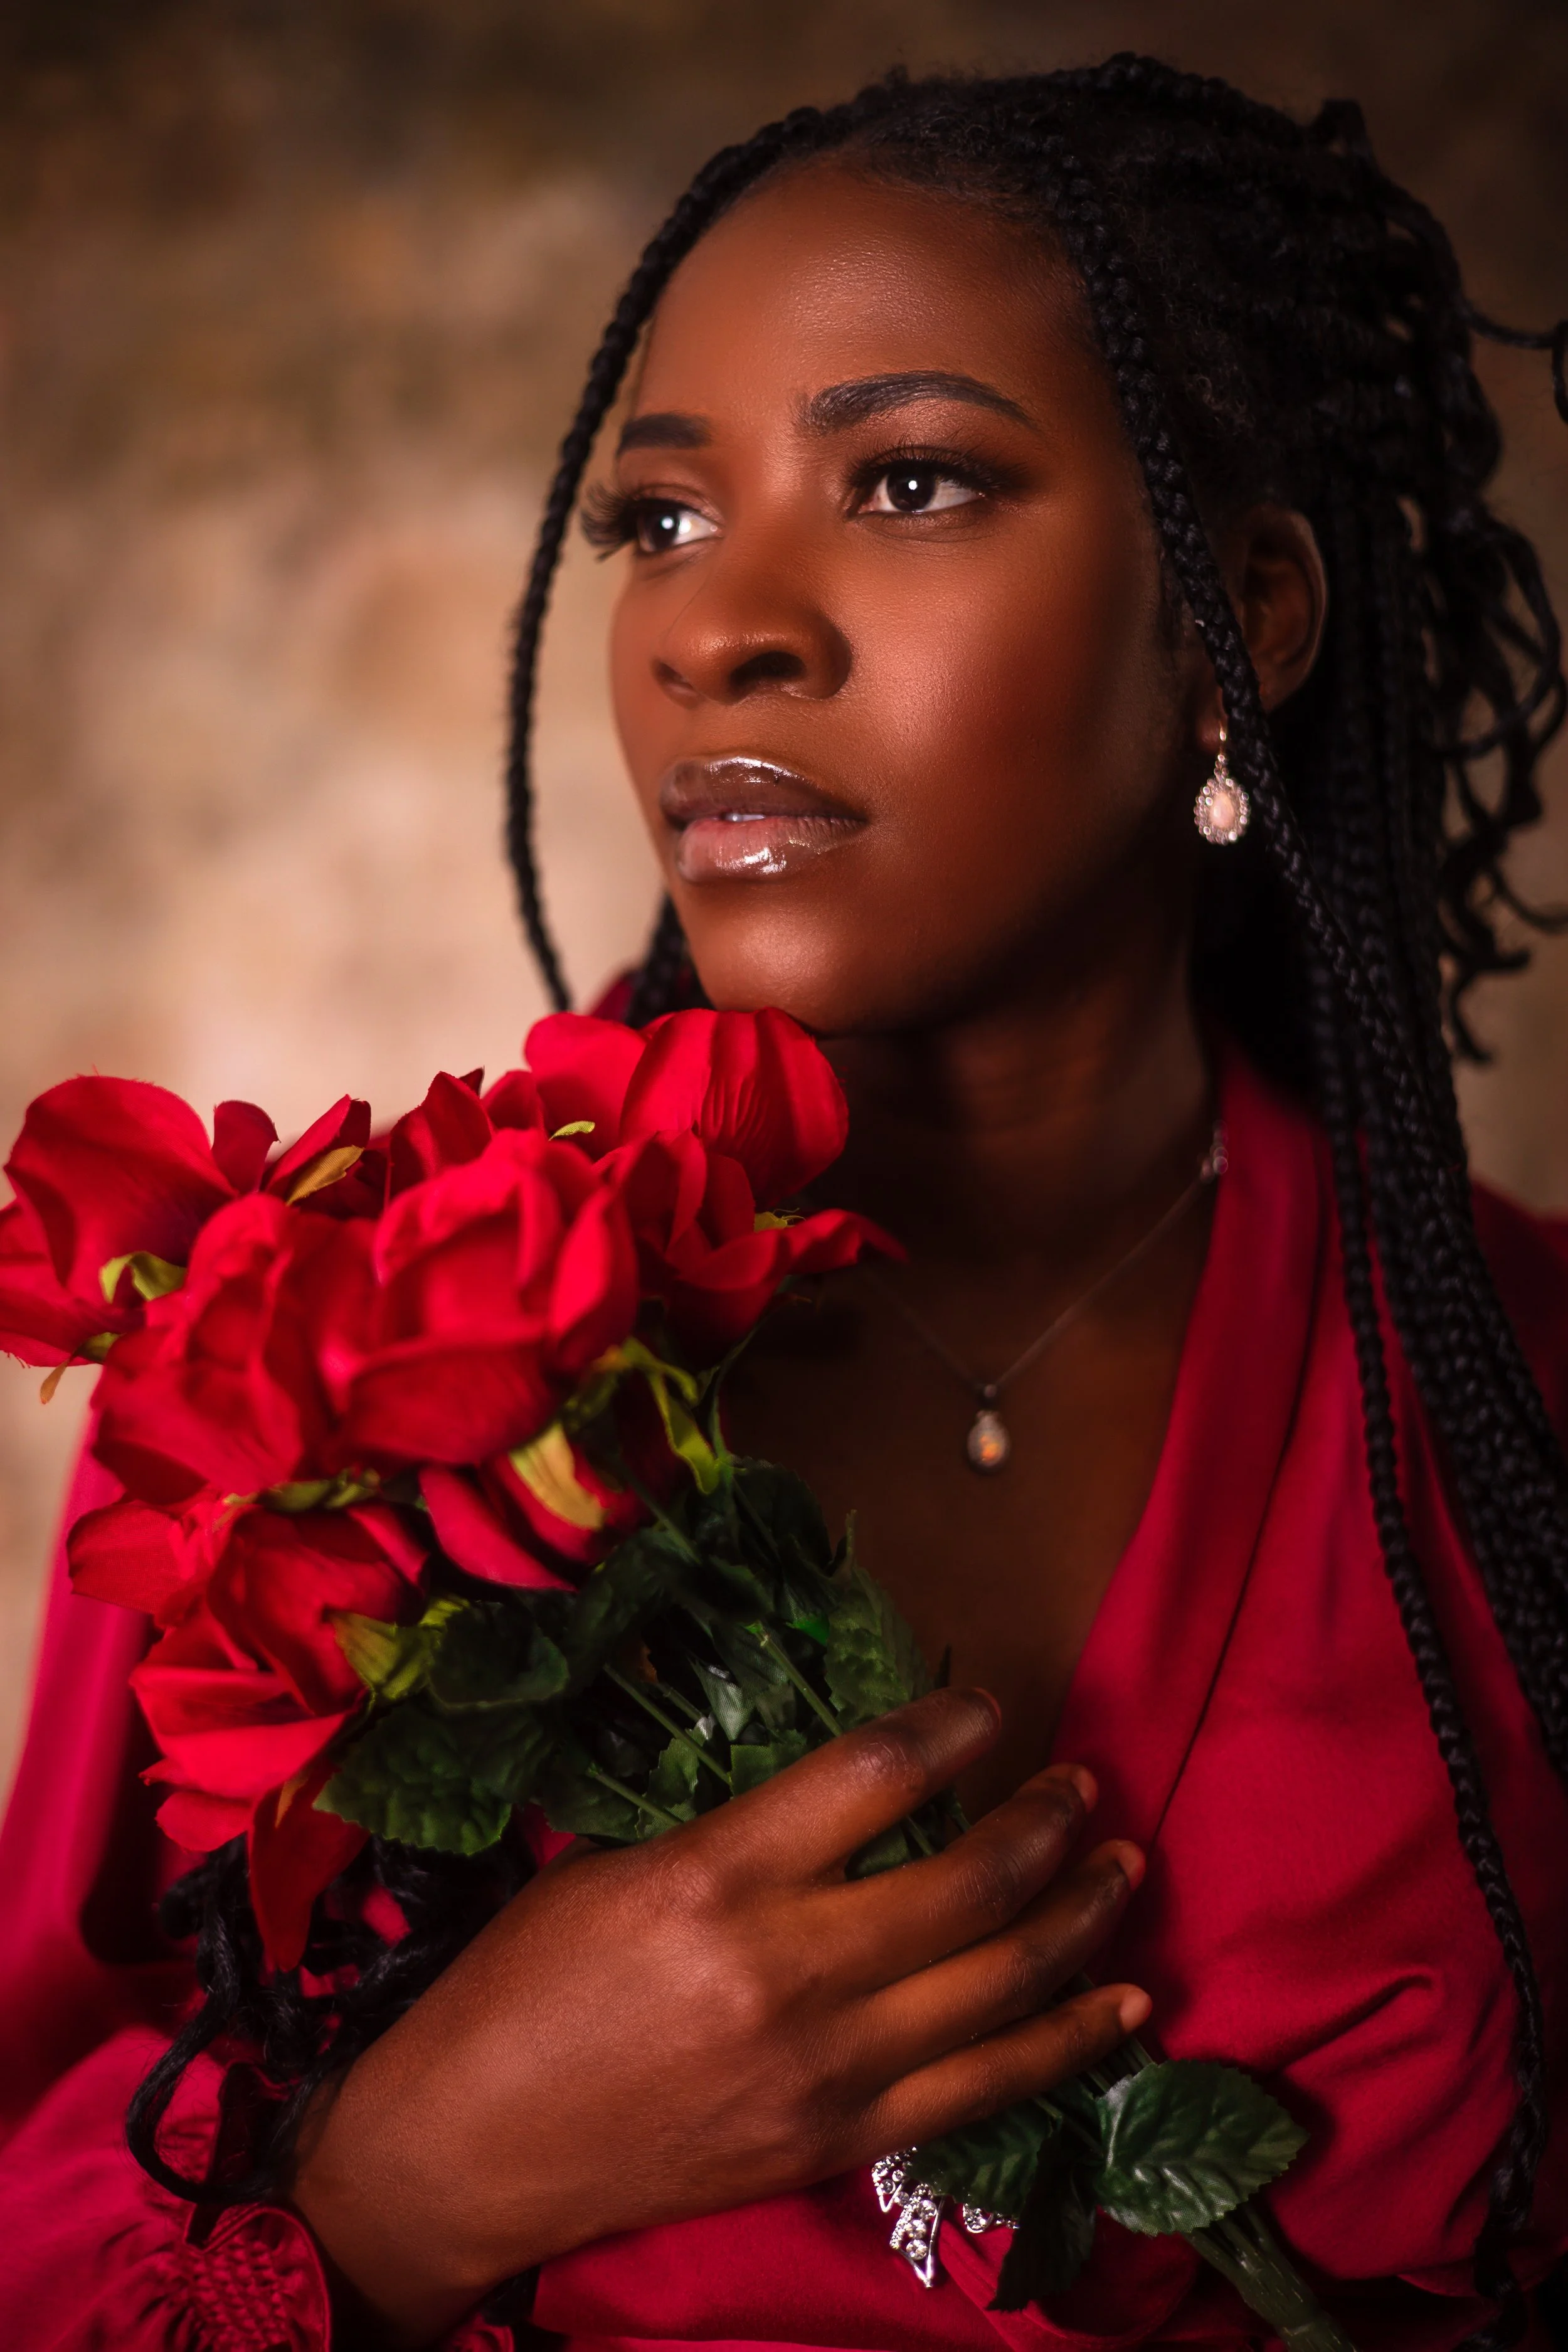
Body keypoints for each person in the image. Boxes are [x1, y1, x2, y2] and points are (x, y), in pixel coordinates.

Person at [2, 53, 1568, 2352]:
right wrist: (412, 2178)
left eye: (908, 482)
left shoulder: (1522, 1403)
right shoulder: (318, 1376)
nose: (715, 626)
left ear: (1237, 613)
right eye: (656, 516)